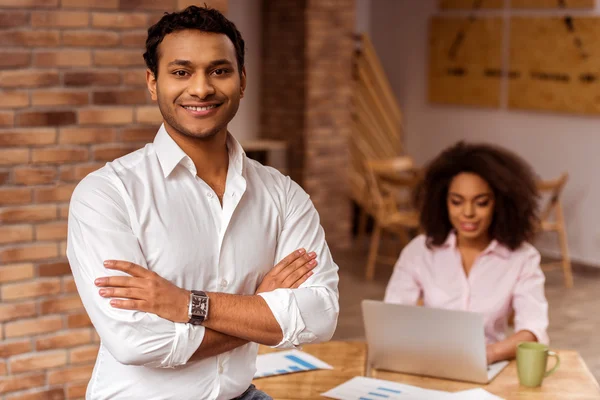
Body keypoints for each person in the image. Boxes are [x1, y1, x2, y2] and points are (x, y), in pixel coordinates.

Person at [66, 6, 339, 399]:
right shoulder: (107, 194)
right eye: (181, 72)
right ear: (153, 83)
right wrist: (258, 308)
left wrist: (188, 305)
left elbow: (320, 316)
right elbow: (135, 342)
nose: (201, 89)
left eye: (219, 71)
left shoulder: (283, 194)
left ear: (242, 81)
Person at [384, 141, 549, 364]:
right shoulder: (420, 251)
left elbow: (533, 331)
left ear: (499, 204)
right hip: (430, 362)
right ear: (443, 202)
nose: (468, 213)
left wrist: (488, 355)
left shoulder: (522, 258)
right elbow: (392, 317)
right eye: (457, 202)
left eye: (481, 203)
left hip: (490, 365)